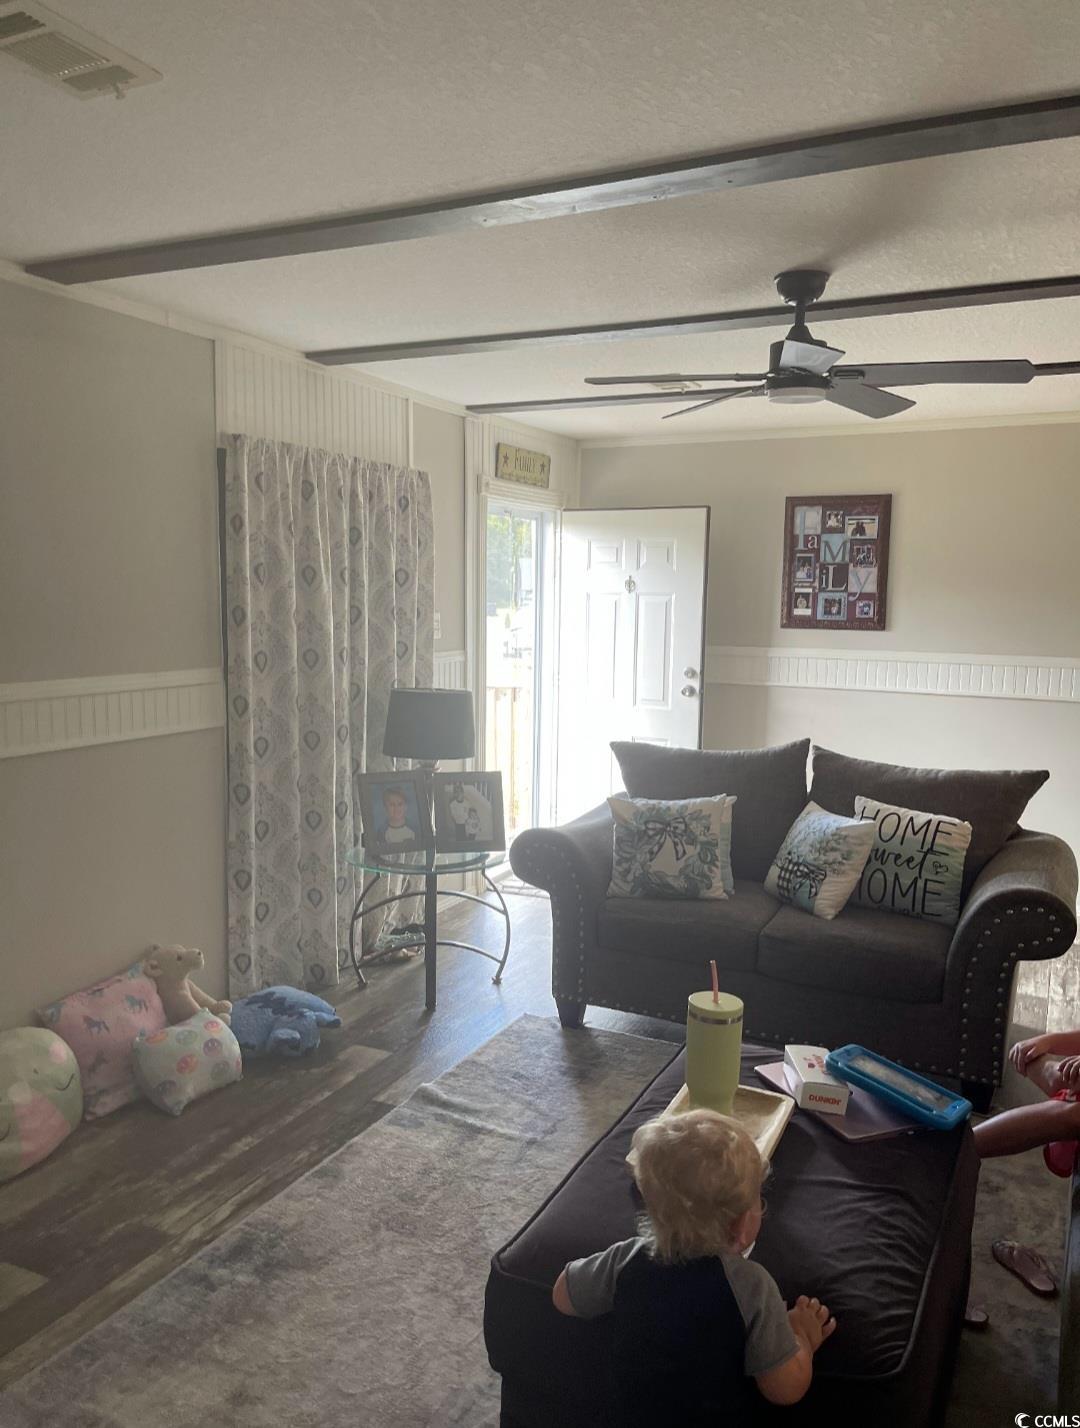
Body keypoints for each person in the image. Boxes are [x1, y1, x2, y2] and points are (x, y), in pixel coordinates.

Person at [552, 1109, 836, 1424]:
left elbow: (563, 1296)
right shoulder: (751, 1286)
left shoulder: (626, 1259)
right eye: (760, 1199)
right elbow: (785, 1389)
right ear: (742, 1226)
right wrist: (801, 1337)